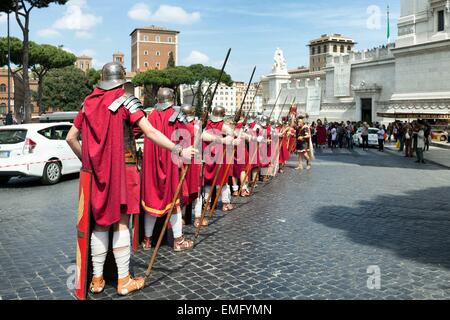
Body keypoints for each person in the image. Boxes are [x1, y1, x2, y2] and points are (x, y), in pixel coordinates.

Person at [65, 62, 195, 296]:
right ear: (122, 81)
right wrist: (178, 150)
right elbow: (151, 132)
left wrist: (89, 163)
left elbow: (71, 138)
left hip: (97, 174)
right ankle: (124, 280)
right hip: (123, 171)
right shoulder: (125, 100)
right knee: (121, 223)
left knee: (101, 223)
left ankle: (96, 280)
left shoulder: (88, 102)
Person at [141, 88, 197, 253]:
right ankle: (178, 241)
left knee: (151, 200)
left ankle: (147, 240)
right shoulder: (177, 114)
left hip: (151, 164)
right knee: (174, 203)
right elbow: (190, 133)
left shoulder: (149, 115)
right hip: (171, 161)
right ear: (173, 98)